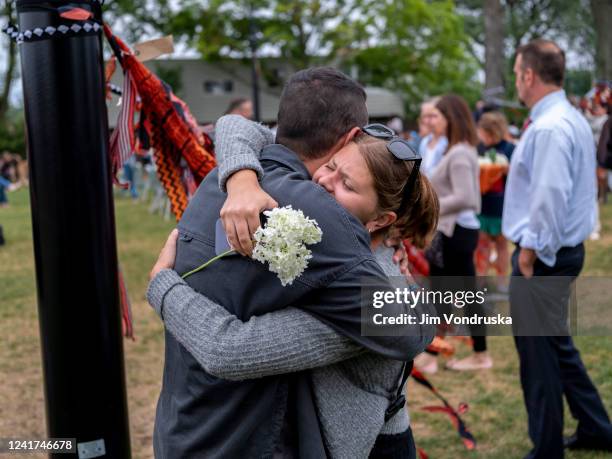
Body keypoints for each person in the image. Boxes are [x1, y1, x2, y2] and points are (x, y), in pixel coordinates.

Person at [152, 67, 434, 458]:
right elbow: (239, 126)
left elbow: (229, 350)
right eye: (332, 168)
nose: (323, 183)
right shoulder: (264, 195)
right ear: (348, 137)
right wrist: (242, 178)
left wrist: (163, 285)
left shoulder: (221, 188)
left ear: (381, 220)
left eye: (347, 184)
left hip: (370, 443)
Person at [503, 39, 612, 458]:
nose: (516, 79)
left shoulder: (550, 126)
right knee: (557, 345)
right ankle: (598, 428)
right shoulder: (568, 118)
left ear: (529, 75)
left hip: (545, 254)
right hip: (564, 250)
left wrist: (530, 253)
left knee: (538, 355)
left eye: (516, 72)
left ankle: (547, 447)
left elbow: (549, 198)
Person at [420, 94, 489, 373]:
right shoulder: (457, 149)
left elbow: (468, 198)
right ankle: (435, 353)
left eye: (438, 115)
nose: (433, 121)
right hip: (451, 231)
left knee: (463, 295)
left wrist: (428, 207)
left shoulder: (459, 152)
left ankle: (480, 354)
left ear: (451, 118)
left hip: (456, 232)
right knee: (444, 295)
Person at [475, 112, 515, 280]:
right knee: (481, 245)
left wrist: (507, 169)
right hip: (481, 204)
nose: (483, 137)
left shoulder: (509, 148)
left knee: (501, 244)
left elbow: (518, 176)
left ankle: (501, 279)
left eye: (486, 133)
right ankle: (481, 279)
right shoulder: (479, 148)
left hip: (502, 207)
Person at [417, 97, 448, 177]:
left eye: (432, 116)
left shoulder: (449, 142)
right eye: (424, 116)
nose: (427, 121)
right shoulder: (425, 141)